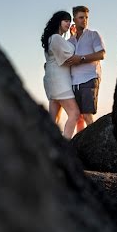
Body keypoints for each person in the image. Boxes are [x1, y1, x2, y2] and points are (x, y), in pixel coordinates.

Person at [40, 10, 81, 139]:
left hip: (52, 82)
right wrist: (74, 38)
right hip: (60, 82)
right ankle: (66, 144)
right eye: (66, 21)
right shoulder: (56, 38)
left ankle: (48, 145)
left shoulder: (51, 39)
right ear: (59, 21)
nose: (68, 24)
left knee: (53, 120)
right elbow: (69, 55)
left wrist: (72, 37)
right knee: (74, 113)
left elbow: (64, 49)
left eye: (70, 21)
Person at [65, 5, 105, 129]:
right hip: (73, 83)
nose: (84, 20)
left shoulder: (93, 35)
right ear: (74, 19)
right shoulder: (70, 42)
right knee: (77, 118)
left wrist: (81, 58)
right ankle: (79, 146)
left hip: (90, 79)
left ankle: (93, 145)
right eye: (81, 17)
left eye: (86, 17)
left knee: (87, 115)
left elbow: (101, 54)